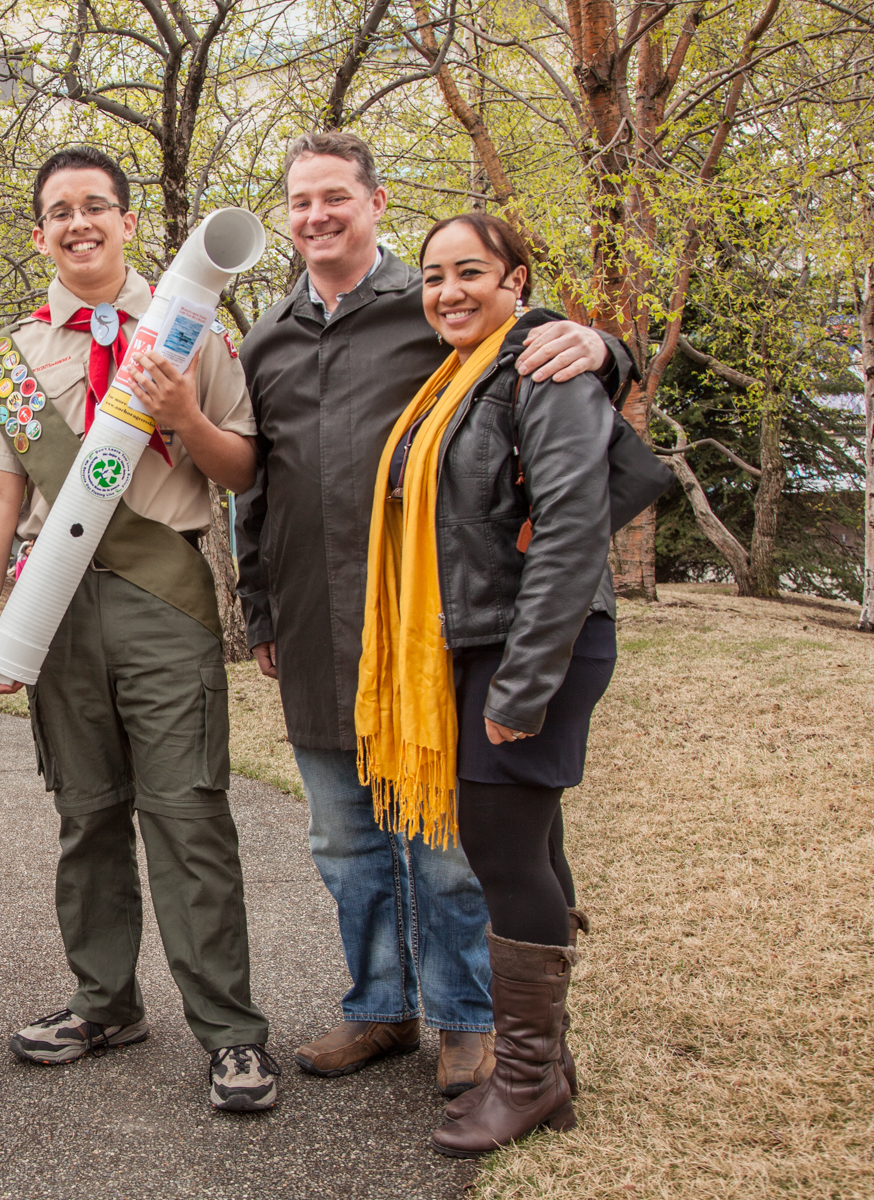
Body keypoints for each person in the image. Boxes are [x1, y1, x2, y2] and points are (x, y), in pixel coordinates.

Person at [234, 131, 632, 1096]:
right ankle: (379, 1009)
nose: (318, 215)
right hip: (316, 621)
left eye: (337, 196)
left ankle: (467, 1017)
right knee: (343, 840)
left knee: (444, 842)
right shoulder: (266, 338)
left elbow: (539, 365)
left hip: (429, 629)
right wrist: (259, 606)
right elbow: (260, 487)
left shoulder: (429, 308)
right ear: (286, 219)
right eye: (300, 202)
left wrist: (606, 345)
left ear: (375, 202)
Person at [0, 146, 279, 1113]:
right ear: (39, 234)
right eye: (58, 211)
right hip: (55, 611)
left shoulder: (196, 332)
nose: (78, 224)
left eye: (95, 206)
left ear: (129, 221)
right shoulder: (13, 357)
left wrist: (183, 411)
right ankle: (104, 1002)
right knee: (86, 811)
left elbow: (241, 471)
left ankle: (230, 1033)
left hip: (164, 598)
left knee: (187, 815)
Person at [356, 212, 640, 1155]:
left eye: (470, 271)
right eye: (433, 276)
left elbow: (570, 532)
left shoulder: (544, 369)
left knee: (503, 850)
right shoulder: (456, 380)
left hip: (535, 646)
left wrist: (522, 687)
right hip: (480, 642)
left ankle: (521, 1082)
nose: (448, 291)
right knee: (528, 844)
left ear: (517, 280)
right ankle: (548, 1070)